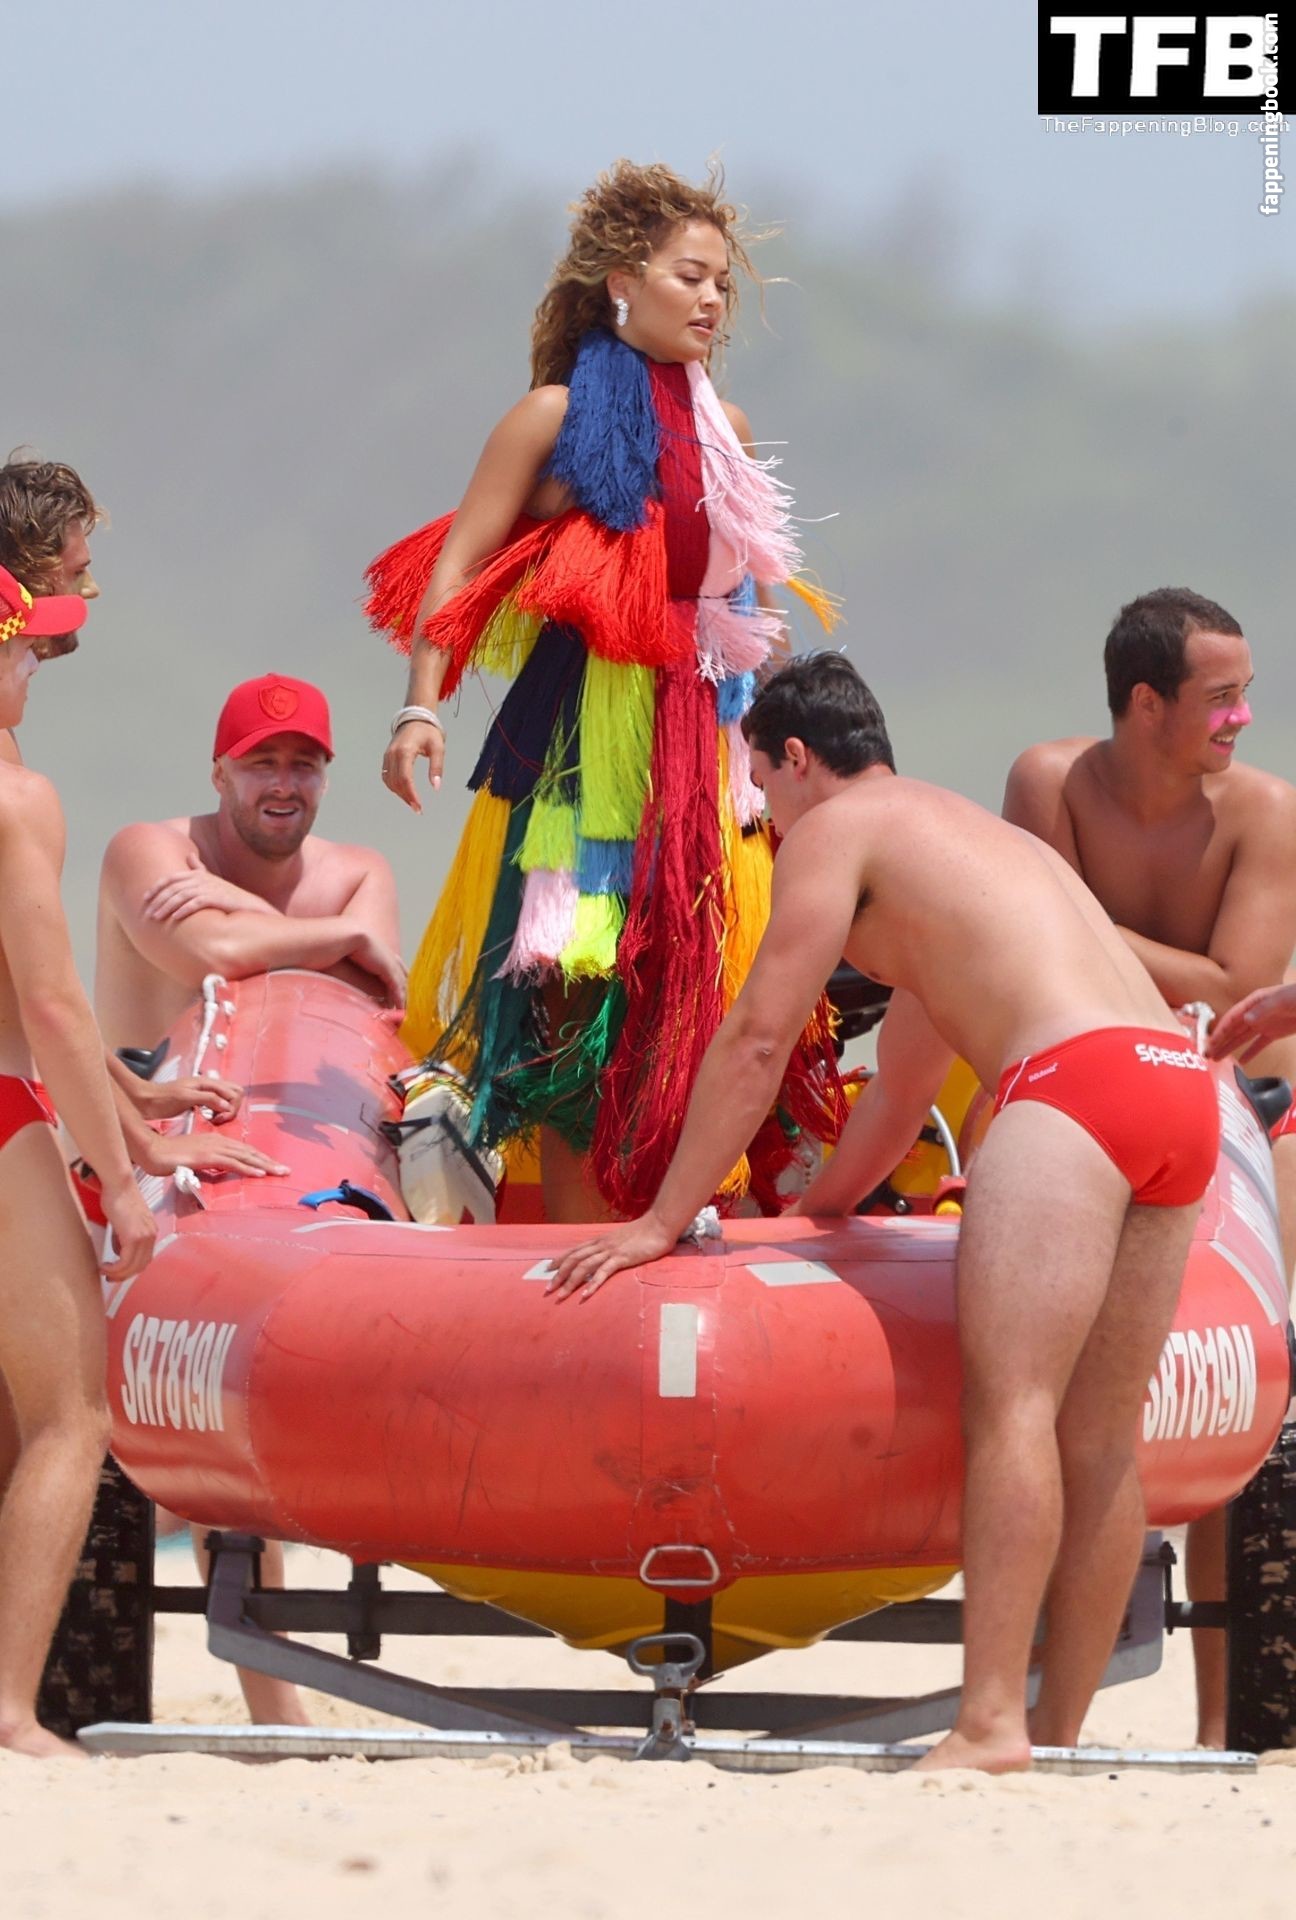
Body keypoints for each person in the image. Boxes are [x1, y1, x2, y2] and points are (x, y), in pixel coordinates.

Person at [549, 653, 1219, 1773]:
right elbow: (902, 1092)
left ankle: (990, 1723)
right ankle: (1055, 1733)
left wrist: (664, 1220)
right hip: (1172, 1084)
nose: (762, 817)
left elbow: (760, 1035)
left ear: (795, 759)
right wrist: (817, 1212)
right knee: (1100, 1438)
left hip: (1073, 1092)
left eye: (760, 788)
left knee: (1013, 1410)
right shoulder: (971, 844)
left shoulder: (834, 833)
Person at [367, 159, 844, 1222]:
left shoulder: (729, 429)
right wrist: (419, 707)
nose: (713, 300)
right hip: (584, 744)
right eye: (690, 277)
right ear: (624, 282)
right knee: (580, 993)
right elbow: (456, 568)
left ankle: (670, 1227)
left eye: (722, 283)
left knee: (699, 984)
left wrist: (796, 752)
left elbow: (754, 607)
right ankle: (582, 1248)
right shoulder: (550, 416)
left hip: (710, 731)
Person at [1001, 585, 1296, 1749]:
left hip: (1251, 1101)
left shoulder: (1266, 815)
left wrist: (1071, 916)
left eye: (1245, 694)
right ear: (1145, 703)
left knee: (1251, 1385)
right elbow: (1030, 950)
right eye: (1221, 697)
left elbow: (1236, 992)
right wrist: (1067, 927)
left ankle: (1221, 1719)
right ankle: (1029, 1677)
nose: (1242, 718)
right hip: (1094, 1093)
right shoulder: (1049, 782)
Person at [96, 672, 404, 1727]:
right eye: (261, 763)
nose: (283, 783)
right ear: (218, 772)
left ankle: (277, 1712)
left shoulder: (361, 870)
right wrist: (329, 938)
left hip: (277, 1164)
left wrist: (244, 921)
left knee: (249, 1424)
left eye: (303, 764)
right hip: (129, 1143)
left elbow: (379, 993)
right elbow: (212, 959)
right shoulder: (146, 850)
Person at [0, 453, 294, 1191]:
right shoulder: (14, 779)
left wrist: (132, 1095)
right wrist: (138, 1161)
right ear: (28, 573)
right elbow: (46, 1001)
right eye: (76, 570)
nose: (90, 588)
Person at [0, 566, 157, 1756]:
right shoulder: (18, 797)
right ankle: (9, 1709)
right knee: (71, 1415)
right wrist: (123, 1177)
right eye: (24, 650)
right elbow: (52, 1006)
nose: (33, 671)